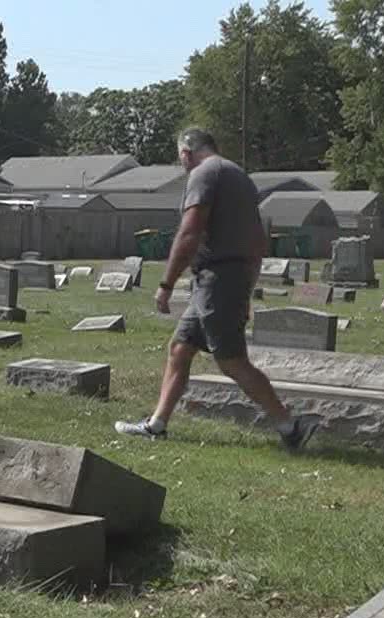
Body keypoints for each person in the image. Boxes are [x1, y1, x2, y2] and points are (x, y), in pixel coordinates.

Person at [115, 129, 320, 451]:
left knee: (232, 361)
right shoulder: (238, 175)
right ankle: (157, 425)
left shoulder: (203, 174)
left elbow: (189, 232)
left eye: (179, 156)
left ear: (186, 152)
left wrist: (166, 285)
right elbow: (257, 239)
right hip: (228, 277)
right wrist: (247, 284)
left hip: (218, 279)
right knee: (181, 349)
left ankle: (290, 426)